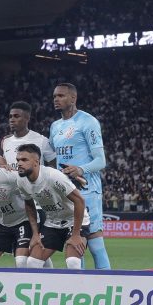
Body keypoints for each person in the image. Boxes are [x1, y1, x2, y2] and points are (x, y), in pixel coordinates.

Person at [49, 83, 111, 269]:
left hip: (88, 190)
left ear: (73, 98)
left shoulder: (88, 122)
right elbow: (53, 158)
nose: (56, 100)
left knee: (95, 243)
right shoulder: (55, 126)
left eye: (61, 96)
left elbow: (101, 161)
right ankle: (81, 290)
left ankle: (110, 287)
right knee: (75, 243)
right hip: (66, 192)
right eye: (54, 96)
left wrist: (80, 169)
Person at [16, 144, 90, 269]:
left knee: (72, 262)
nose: (19, 163)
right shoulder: (21, 180)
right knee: (32, 263)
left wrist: (76, 234)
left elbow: (79, 201)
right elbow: (29, 205)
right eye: (18, 160)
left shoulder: (53, 176)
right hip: (52, 223)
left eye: (24, 160)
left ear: (36, 162)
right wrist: (35, 234)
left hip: (75, 221)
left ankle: (75, 288)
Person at [2, 101, 56, 268]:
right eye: (10, 116)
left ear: (27, 118)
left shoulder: (40, 140)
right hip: (17, 204)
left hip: (37, 203)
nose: (12, 119)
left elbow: (53, 165)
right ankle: (51, 279)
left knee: (34, 249)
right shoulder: (6, 142)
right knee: (36, 251)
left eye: (16, 116)